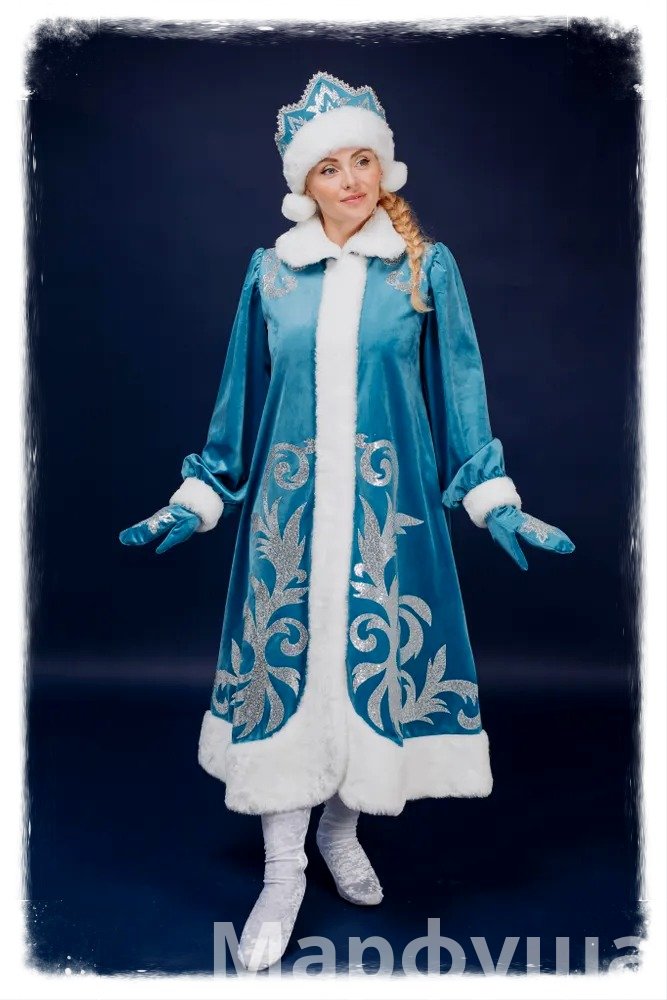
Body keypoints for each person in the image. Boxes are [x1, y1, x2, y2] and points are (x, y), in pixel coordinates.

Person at [119, 70, 575, 972]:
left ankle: (339, 830)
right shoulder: (270, 275)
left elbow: (459, 393)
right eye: (330, 167)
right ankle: (282, 870)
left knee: (369, 669)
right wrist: (197, 495)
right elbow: (239, 400)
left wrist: (492, 497)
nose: (350, 179)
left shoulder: (422, 268)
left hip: (386, 522)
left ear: (384, 167)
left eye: (363, 160)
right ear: (305, 183)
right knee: (288, 672)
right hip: (287, 525)